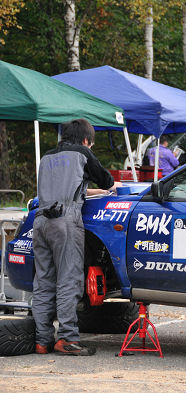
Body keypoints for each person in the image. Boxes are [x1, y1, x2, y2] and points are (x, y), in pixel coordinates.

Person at [32, 119, 121, 356]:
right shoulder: (82, 153)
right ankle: (68, 339)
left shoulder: (47, 157)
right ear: (85, 140)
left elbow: (66, 187)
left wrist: (94, 191)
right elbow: (107, 180)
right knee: (69, 280)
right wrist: (108, 189)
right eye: (90, 144)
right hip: (65, 221)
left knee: (43, 282)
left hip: (40, 220)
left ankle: (42, 341)